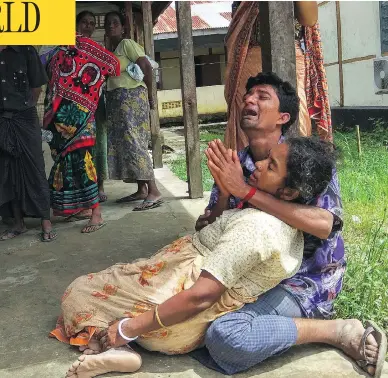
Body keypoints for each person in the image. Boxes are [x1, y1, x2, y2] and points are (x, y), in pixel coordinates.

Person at [54, 134, 339, 378]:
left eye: (271, 166)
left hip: (179, 303)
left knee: (78, 291)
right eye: (266, 157)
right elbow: (215, 229)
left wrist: (129, 328)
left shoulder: (258, 228)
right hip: (179, 298)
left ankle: (122, 342)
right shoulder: (275, 216)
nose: (260, 164)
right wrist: (227, 195)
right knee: (109, 286)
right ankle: (116, 341)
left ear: (288, 192)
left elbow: (201, 295)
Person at [191, 72, 386, 377]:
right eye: (248, 95)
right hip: (248, 275)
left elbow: (325, 224)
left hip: (302, 281)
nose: (249, 100)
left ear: (282, 117)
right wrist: (223, 197)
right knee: (182, 313)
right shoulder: (236, 163)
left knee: (224, 336)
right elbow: (210, 229)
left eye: (261, 96)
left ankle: (337, 331)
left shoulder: (305, 159)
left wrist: (247, 193)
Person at [225, 1, 331, 151]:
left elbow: (309, 19)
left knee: (294, 124)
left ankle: (291, 169)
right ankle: (248, 171)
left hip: (288, 58)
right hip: (250, 59)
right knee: (249, 123)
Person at [43, 34, 120, 233]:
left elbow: (114, 65)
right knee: (65, 166)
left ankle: (96, 214)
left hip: (81, 120)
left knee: (83, 164)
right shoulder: (52, 53)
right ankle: (81, 208)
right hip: (60, 123)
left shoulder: (86, 47)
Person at [104, 11, 163, 211]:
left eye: (115, 23)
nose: (111, 26)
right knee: (127, 144)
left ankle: (154, 190)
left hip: (131, 99)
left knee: (135, 142)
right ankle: (142, 189)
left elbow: (146, 66)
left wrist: (151, 96)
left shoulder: (127, 44)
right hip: (118, 101)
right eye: (107, 24)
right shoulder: (112, 50)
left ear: (123, 27)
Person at [0, 45, 57, 242]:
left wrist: (22, 108)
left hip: (25, 118)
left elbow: (36, 88)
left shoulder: (26, 51)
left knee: (35, 167)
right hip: (1, 119)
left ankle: (45, 221)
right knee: (7, 171)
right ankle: (18, 223)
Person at [76, 10, 109, 204]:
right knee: (80, 144)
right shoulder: (70, 46)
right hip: (77, 102)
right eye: (84, 22)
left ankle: (100, 185)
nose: (88, 26)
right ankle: (83, 187)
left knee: (100, 142)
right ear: (77, 25)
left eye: (91, 23)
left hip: (96, 100)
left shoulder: (98, 48)